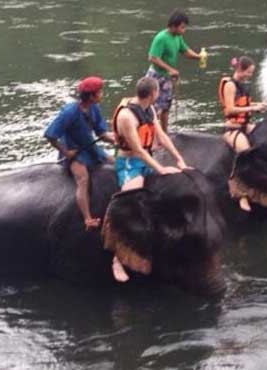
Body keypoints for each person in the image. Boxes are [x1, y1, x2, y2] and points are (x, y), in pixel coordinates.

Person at [108, 76, 191, 282]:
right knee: (131, 202)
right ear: (153, 93)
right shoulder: (127, 116)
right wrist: (161, 169)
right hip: (130, 164)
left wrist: (180, 160)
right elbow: (136, 150)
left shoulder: (149, 109)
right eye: (158, 93)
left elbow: (161, 136)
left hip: (147, 160)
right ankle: (117, 258)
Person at [44, 76, 116, 230]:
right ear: (91, 96)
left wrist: (118, 140)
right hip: (74, 151)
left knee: (116, 162)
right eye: (99, 92)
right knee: (83, 178)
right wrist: (66, 153)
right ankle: (87, 219)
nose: (101, 95)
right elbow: (50, 135)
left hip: (90, 147)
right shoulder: (69, 113)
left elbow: (101, 133)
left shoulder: (94, 108)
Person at [218, 56, 267, 212]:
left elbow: (244, 104)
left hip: (245, 125)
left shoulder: (242, 85)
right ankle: (241, 195)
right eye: (249, 72)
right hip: (232, 128)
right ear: (240, 69)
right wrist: (252, 109)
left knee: (266, 137)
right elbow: (231, 109)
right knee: (246, 153)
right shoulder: (230, 85)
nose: (250, 75)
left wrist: (259, 105)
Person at [146, 10, 202, 132]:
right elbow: (153, 58)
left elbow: (185, 50)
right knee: (153, 108)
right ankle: (151, 135)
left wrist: (198, 57)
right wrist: (170, 69)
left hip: (168, 77)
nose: (184, 30)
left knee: (166, 107)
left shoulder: (178, 37)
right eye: (182, 27)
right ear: (173, 26)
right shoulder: (161, 38)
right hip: (156, 76)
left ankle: (164, 133)